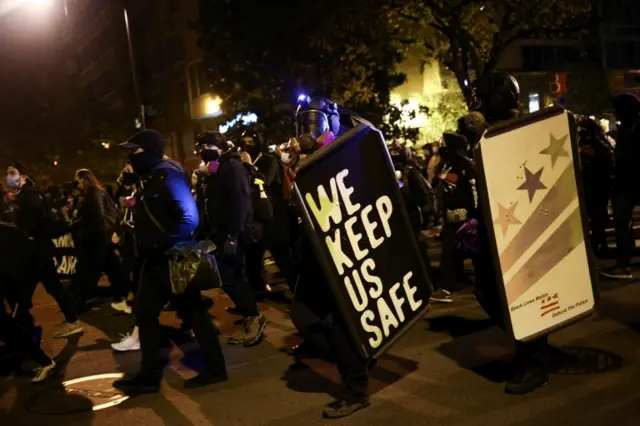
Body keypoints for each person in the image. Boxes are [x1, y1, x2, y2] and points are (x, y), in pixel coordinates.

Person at [113, 129, 227, 394]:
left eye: (135, 151)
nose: (130, 157)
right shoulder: (151, 176)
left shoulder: (168, 174)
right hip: (155, 260)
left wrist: (164, 243)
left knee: (191, 313)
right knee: (150, 313)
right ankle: (151, 375)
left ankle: (213, 369)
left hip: (171, 258)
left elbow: (190, 218)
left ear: (150, 151)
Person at [289, 96, 371, 419]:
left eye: (315, 121)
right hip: (315, 255)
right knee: (304, 315)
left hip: (339, 253)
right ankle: (357, 354)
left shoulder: (345, 153)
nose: (308, 131)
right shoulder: (309, 162)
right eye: (303, 123)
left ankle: (356, 389)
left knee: (341, 323)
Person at [470, 73, 551, 394]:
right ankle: (527, 348)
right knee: (489, 292)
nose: (481, 104)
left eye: (487, 98)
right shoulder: (491, 133)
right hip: (498, 225)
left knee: (523, 294)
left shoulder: (523, 131)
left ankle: (535, 362)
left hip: (522, 229)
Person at [195, 131, 267, 346]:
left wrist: (233, 236)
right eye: (200, 148)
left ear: (219, 147)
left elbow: (241, 203)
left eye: (206, 146)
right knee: (235, 275)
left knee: (227, 276)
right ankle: (251, 316)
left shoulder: (232, 167)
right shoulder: (216, 170)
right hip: (222, 232)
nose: (202, 151)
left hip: (235, 232)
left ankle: (254, 317)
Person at [5, 162, 83, 338]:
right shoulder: (30, 195)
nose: (8, 177)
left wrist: (12, 228)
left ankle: (19, 329)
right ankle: (70, 321)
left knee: (25, 290)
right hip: (40, 250)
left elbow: (28, 228)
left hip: (35, 251)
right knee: (49, 287)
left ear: (23, 177)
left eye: (12, 173)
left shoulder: (28, 197)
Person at [70, 169, 129, 308]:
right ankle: (121, 290)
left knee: (91, 267)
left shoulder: (92, 193)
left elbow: (94, 216)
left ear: (84, 179)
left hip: (96, 235)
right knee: (111, 264)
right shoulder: (97, 191)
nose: (76, 184)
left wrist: (77, 226)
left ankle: (84, 296)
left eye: (77, 180)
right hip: (102, 234)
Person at [601, 93, 640, 279]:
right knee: (622, 223)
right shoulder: (627, 128)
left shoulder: (634, 129)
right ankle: (624, 261)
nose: (616, 115)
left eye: (618, 110)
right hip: (627, 181)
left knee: (622, 223)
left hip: (630, 181)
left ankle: (623, 265)